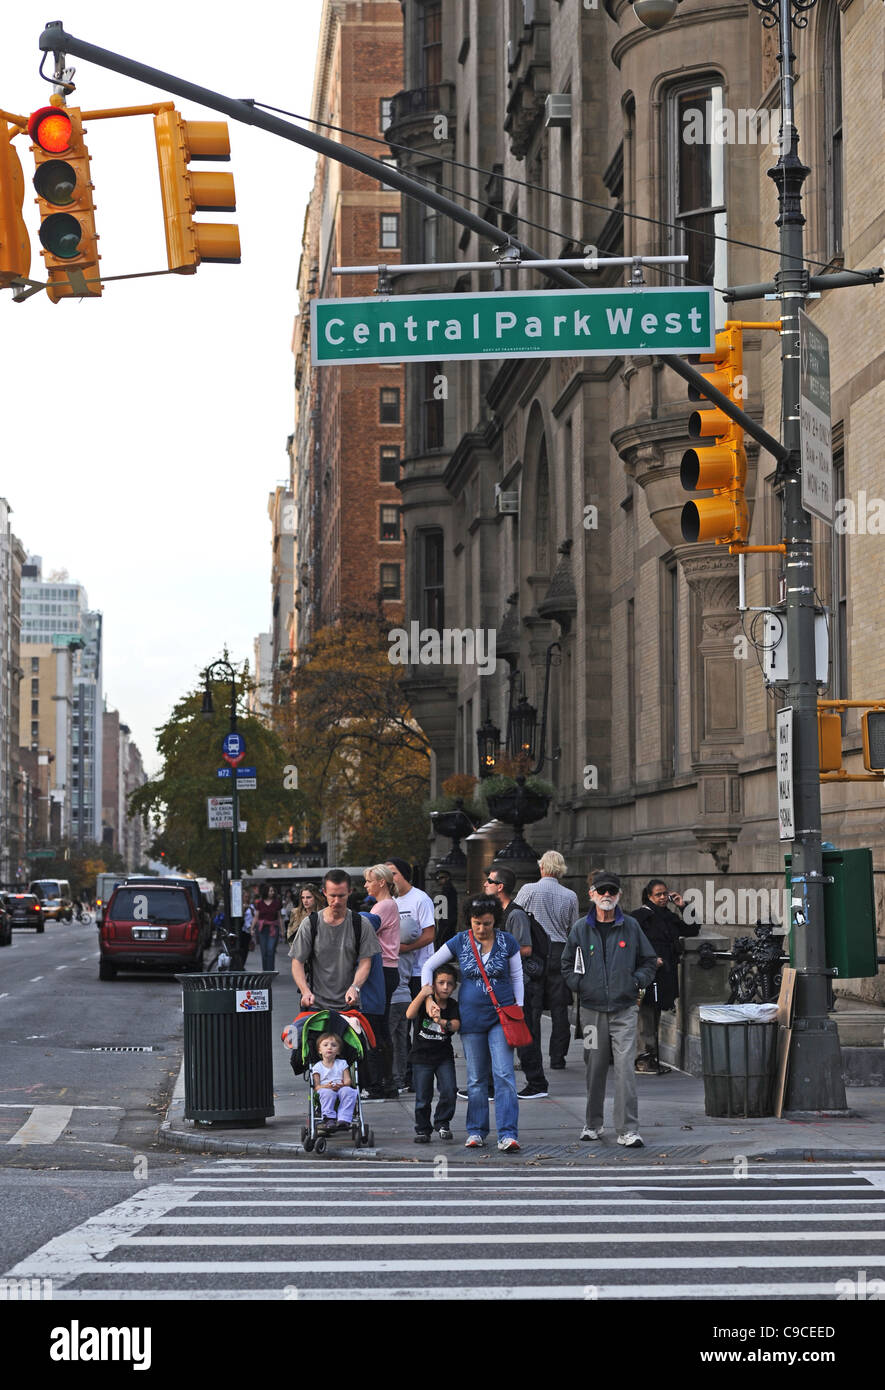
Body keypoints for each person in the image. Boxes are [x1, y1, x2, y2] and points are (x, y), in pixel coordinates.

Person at [561, 870, 657, 1148]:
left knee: (626, 1069)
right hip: (591, 1011)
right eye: (601, 891)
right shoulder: (581, 928)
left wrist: (635, 982)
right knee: (594, 1067)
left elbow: (649, 960)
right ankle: (592, 1123)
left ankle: (628, 1129)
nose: (606, 896)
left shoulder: (631, 927)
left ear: (619, 895)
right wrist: (580, 985)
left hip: (624, 1010)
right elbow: (566, 964)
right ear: (591, 894)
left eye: (611, 891)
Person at [421, 894, 523, 1153]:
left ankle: (508, 1133)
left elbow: (517, 977)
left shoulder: (507, 941)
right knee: (476, 1078)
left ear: (494, 921)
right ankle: (476, 1131)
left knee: (504, 1075)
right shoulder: (460, 940)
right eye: (476, 923)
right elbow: (429, 965)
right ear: (470, 920)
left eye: (487, 923)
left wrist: (518, 1011)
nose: (481, 929)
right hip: (471, 1017)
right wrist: (428, 997)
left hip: (502, 1015)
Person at [485, 865, 547, 1098]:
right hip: (503, 984)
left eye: (489, 881)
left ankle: (537, 1083)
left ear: (500, 887)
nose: (485, 884)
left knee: (524, 1034)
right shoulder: (498, 914)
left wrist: (493, 951)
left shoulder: (515, 914)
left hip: (522, 984)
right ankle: (490, 1085)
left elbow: (526, 949)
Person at [514, 850, 580, 1071]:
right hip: (561, 951)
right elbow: (573, 927)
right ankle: (558, 1057)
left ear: (541, 867)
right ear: (561, 869)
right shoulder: (570, 896)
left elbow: (515, 917)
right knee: (560, 1008)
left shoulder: (528, 890)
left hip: (535, 951)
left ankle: (529, 1056)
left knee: (532, 1008)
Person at [289, 869, 381, 1010]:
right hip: (315, 1004)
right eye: (332, 895)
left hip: (348, 1005)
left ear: (350, 892)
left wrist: (355, 987)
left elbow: (365, 962)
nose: (336, 901)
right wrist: (305, 991)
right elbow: (297, 962)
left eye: (341, 896)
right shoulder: (310, 924)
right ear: (324, 892)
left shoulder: (361, 924)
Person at [632, 879, 698, 1074]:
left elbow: (692, 929)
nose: (662, 898)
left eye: (664, 894)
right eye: (658, 894)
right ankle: (643, 1058)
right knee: (646, 1014)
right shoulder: (640, 917)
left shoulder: (668, 915)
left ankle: (650, 1057)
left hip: (664, 973)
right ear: (649, 896)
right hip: (648, 971)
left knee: (656, 1013)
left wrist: (683, 906)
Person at [386, 858, 436, 1085]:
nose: (390, 878)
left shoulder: (420, 899)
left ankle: (419, 1077)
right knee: (400, 1030)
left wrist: (404, 948)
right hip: (400, 973)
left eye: (393, 873)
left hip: (420, 971)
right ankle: (404, 1075)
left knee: (421, 1028)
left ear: (405, 874)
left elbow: (429, 934)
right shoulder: (391, 902)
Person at [406, 962, 461, 1142]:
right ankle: (422, 1129)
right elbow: (409, 1014)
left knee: (449, 1090)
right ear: (434, 984)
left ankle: (442, 1123)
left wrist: (440, 1021)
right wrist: (423, 994)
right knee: (423, 1096)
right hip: (421, 1056)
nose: (445, 987)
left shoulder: (452, 1005)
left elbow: (456, 1025)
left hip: (443, 1056)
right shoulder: (425, 1002)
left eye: (450, 983)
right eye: (441, 982)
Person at [310, 1032, 358, 1134]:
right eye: (325, 1045)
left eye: (334, 1045)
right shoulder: (317, 1067)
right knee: (327, 1093)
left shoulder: (342, 1063)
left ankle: (344, 1119)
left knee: (349, 1091)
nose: (330, 1047)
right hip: (325, 1089)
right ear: (319, 1050)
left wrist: (343, 1085)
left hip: (341, 1087)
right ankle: (329, 1118)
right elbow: (317, 1087)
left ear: (338, 1051)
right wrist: (326, 1086)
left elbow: (348, 1080)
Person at [251, 882, 283, 972]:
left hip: (273, 928)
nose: (272, 892)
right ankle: (265, 971)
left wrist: (282, 931)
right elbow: (256, 916)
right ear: (266, 892)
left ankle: (270, 971)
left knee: (270, 950)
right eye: (270, 891)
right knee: (264, 951)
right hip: (262, 929)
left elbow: (280, 917)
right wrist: (252, 928)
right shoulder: (260, 903)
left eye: (273, 891)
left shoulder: (277, 903)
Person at [432, 869, 459, 950]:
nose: (439, 880)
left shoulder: (448, 888)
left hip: (448, 918)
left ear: (447, 878)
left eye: (441, 878)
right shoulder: (447, 888)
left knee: (443, 937)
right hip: (447, 917)